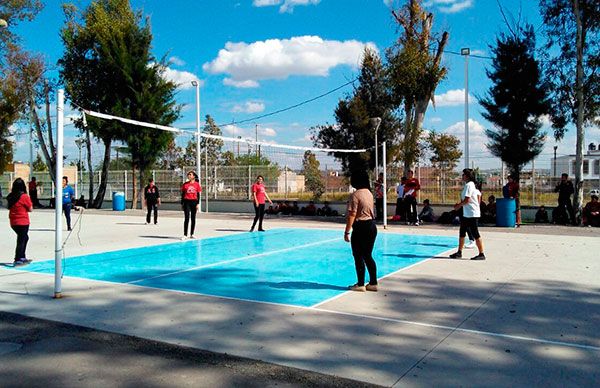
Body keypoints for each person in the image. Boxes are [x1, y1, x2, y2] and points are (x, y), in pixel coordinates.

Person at [344, 169, 378, 292]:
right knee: (368, 255)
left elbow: (352, 214)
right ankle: (373, 283)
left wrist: (347, 231)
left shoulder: (355, 195)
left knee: (358, 256)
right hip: (371, 226)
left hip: (360, 227)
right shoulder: (369, 193)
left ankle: (360, 284)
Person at [450, 169, 485, 260]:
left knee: (475, 233)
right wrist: (460, 205)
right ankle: (459, 252)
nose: (462, 176)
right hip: (467, 213)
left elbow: (467, 200)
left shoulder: (469, 185)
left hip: (472, 213)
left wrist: (458, 206)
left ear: (467, 176)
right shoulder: (469, 185)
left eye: (463, 174)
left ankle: (481, 254)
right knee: (462, 231)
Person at [7, 178, 33, 266]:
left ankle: (22, 256)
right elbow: (30, 209)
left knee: (24, 238)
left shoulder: (11, 196)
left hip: (13, 221)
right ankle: (17, 258)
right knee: (21, 239)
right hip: (23, 221)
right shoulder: (24, 196)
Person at [181, 171, 201, 239]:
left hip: (194, 202)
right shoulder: (185, 184)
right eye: (188, 174)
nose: (189, 176)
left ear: (193, 176)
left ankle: (192, 234)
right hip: (187, 202)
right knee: (186, 218)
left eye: (190, 174)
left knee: (193, 218)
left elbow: (198, 195)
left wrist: (198, 203)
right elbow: (183, 194)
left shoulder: (197, 184)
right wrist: (182, 203)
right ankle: (185, 234)